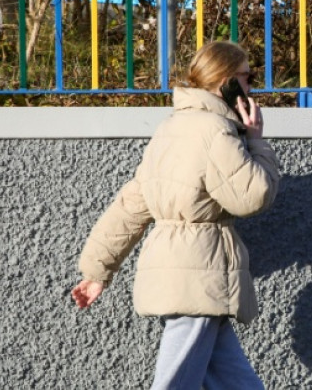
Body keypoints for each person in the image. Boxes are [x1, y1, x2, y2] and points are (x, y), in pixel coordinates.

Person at [71, 40, 280, 389]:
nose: (251, 87)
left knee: (235, 381)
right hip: (197, 275)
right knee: (174, 382)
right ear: (227, 81)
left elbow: (131, 206)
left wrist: (97, 270)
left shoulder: (170, 129)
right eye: (248, 77)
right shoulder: (214, 130)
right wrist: (257, 139)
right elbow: (254, 195)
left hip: (190, 276)